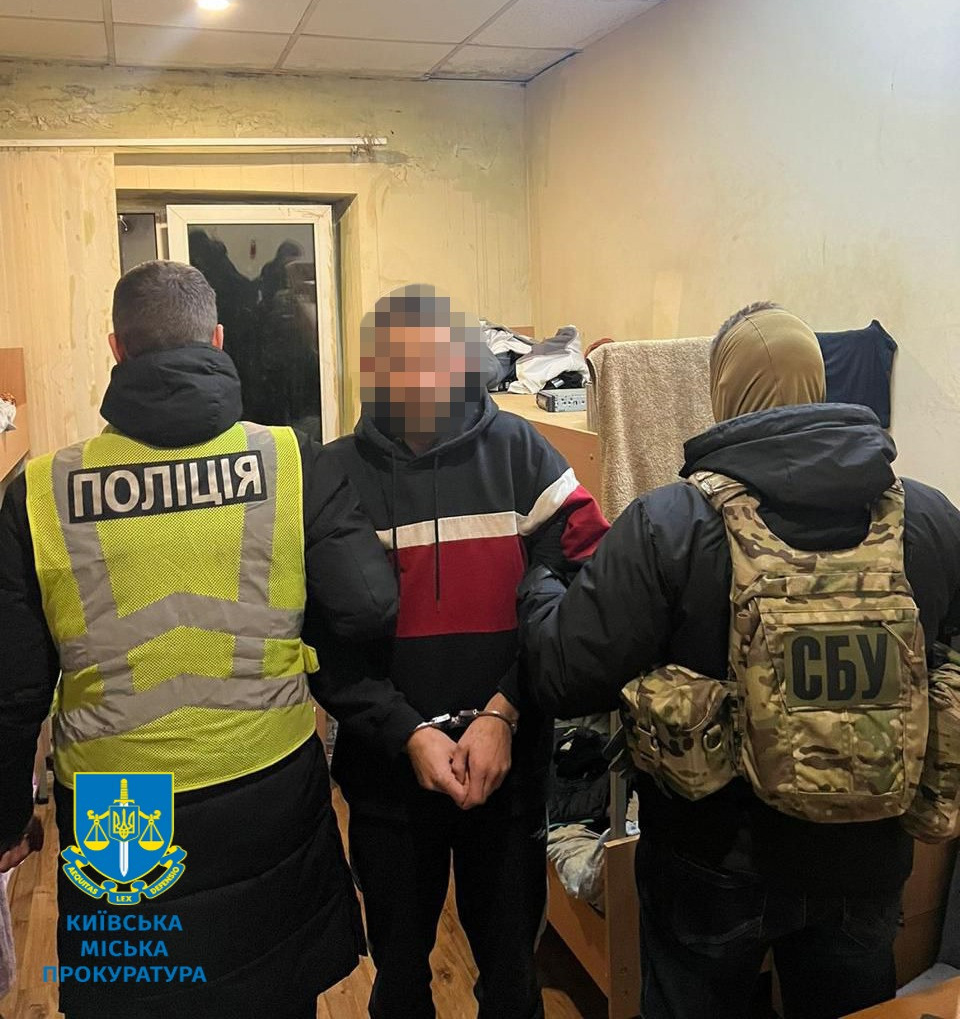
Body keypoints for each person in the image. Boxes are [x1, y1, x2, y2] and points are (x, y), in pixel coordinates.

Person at [519, 302, 960, 1019]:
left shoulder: (671, 523)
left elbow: (562, 674)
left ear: (723, 392)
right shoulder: (930, 518)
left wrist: (540, 579)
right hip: (868, 862)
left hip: (711, 861)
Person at [0, 260, 397, 1019]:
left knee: (139, 997)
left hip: (120, 803)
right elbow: (367, 607)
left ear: (117, 349)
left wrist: (4, 817)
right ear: (217, 339)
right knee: (272, 989)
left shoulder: (42, 491)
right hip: (267, 779)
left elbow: (13, 690)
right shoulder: (290, 460)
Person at [315, 284, 609, 1019]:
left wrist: (506, 710)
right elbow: (318, 644)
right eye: (397, 364)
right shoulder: (333, 476)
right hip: (387, 778)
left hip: (507, 772)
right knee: (399, 978)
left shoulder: (522, 453)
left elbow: (586, 590)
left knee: (511, 978)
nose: (417, 382)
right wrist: (406, 731)